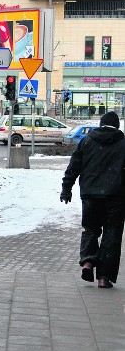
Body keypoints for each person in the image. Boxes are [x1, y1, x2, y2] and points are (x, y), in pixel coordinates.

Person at [61, 111, 125, 288]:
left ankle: (88, 262)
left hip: (90, 195)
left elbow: (73, 166)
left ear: (100, 124)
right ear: (117, 126)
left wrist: (66, 188)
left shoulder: (87, 141)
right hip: (116, 197)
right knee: (112, 235)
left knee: (90, 229)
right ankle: (104, 278)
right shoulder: (123, 143)